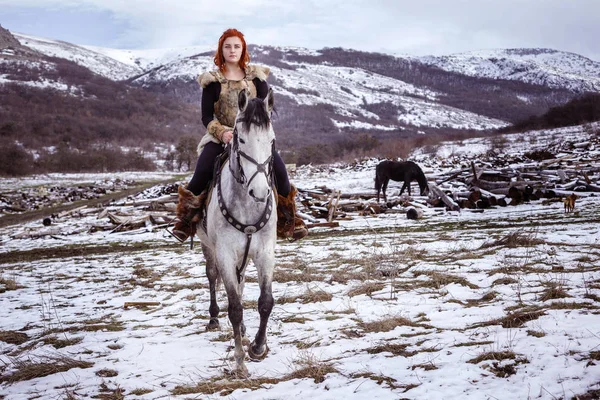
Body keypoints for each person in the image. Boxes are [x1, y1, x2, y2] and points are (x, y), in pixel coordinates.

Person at [172, 28, 308, 242]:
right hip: (222, 136)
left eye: (236, 46)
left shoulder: (257, 77)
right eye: (228, 46)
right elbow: (206, 117)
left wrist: (259, 131)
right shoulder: (213, 81)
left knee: (281, 173)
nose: (232, 50)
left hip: (253, 137)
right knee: (201, 173)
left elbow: (266, 110)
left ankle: (289, 219)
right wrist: (223, 132)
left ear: (243, 48)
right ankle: (186, 221)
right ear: (221, 50)